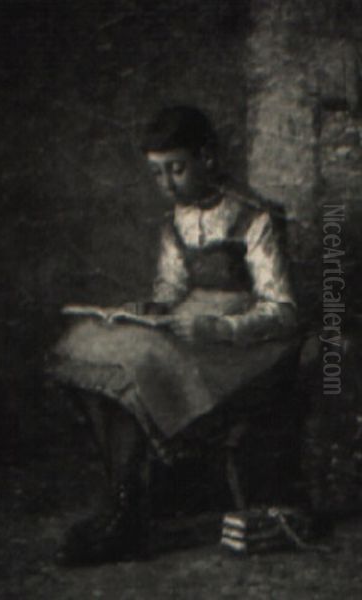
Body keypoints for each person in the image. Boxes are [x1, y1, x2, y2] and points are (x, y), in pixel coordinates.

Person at [48, 106, 301, 565]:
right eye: (157, 173)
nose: (167, 184)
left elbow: (283, 313)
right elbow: (170, 291)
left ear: (207, 157)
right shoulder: (174, 223)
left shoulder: (254, 218)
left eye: (177, 169)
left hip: (245, 346)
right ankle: (125, 504)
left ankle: (124, 515)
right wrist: (152, 308)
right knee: (90, 343)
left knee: (140, 364)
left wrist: (217, 327)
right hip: (187, 329)